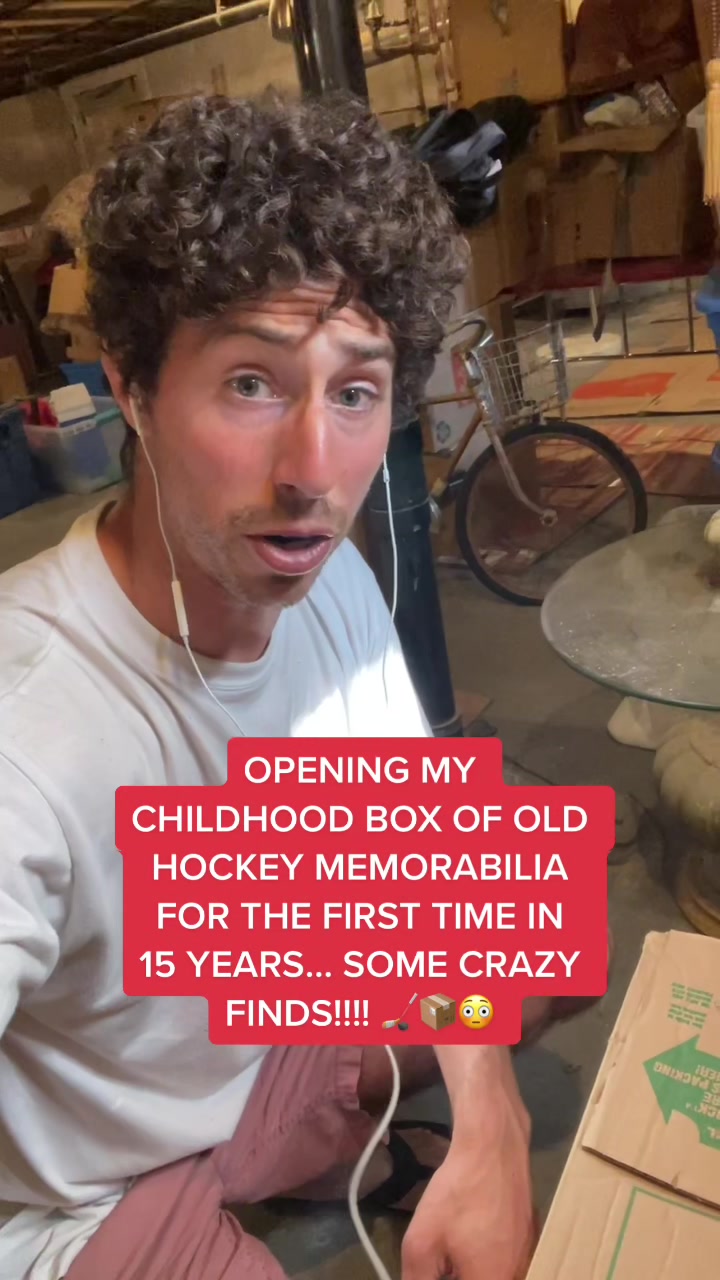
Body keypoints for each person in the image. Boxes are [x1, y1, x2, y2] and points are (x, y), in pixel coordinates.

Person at [0, 92, 594, 1280]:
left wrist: (493, 1121)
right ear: (133, 387)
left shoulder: (327, 581)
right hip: (80, 1189)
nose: (314, 469)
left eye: (355, 391)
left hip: (247, 1017)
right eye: (251, 383)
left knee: (547, 919)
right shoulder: (28, 725)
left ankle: (297, 1140)